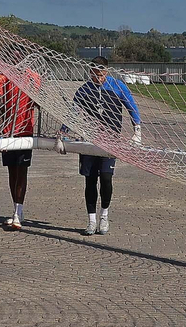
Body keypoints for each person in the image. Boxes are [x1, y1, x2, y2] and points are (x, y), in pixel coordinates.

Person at [59, 57, 142, 235]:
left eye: (102, 74)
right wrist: (62, 133)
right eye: (96, 75)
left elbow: (132, 107)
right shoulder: (84, 90)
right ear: (90, 73)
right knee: (90, 180)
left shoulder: (117, 86)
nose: (99, 78)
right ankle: (91, 220)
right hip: (89, 141)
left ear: (107, 72)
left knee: (105, 178)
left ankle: (104, 215)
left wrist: (137, 129)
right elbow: (73, 113)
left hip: (110, 142)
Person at [0, 65, 41, 231]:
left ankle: (18, 212)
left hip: (25, 131)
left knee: (22, 170)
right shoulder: (1, 77)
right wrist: (0, 133)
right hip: (8, 133)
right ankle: (16, 210)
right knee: (12, 172)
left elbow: (38, 102)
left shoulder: (33, 77)